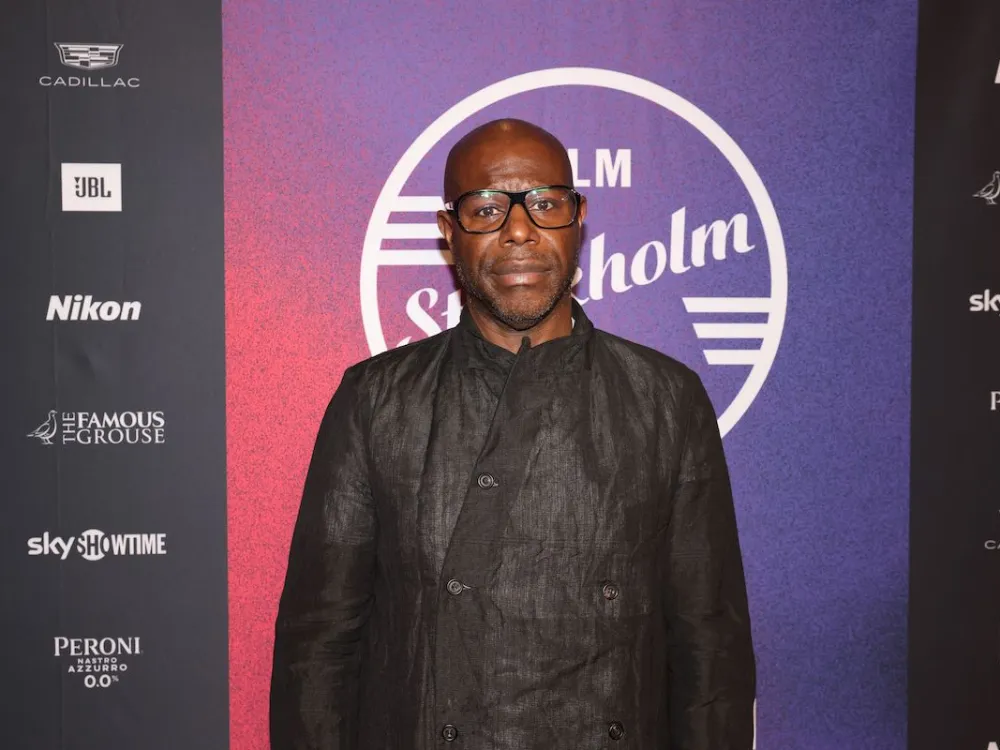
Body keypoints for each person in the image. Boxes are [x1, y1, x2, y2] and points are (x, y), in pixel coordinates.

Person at [270, 118, 756, 749]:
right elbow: (320, 643)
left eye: (546, 204)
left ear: (579, 218)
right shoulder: (375, 400)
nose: (519, 230)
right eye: (487, 209)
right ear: (450, 233)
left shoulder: (666, 398)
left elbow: (709, 645)